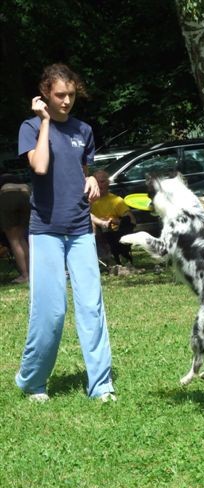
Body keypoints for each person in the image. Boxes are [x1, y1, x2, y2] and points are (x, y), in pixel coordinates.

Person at [15, 63, 115, 403]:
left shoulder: (83, 130)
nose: (66, 101)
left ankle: (101, 385)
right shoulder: (30, 127)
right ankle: (32, 380)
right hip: (45, 230)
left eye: (71, 95)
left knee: (91, 307)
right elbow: (40, 166)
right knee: (51, 310)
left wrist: (91, 179)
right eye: (60, 95)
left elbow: (82, 169)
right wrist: (44, 121)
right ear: (45, 93)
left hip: (79, 228)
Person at [90, 169, 136, 267]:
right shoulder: (88, 201)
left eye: (102, 182)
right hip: (93, 233)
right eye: (97, 182)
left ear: (108, 183)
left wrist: (115, 221)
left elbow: (132, 221)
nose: (99, 185)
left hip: (113, 234)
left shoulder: (116, 200)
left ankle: (113, 260)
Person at [0, 173, 31, 283]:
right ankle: (30, 273)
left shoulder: (4, 182)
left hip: (7, 193)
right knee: (21, 238)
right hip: (26, 192)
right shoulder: (17, 178)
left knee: (14, 240)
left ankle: (24, 275)